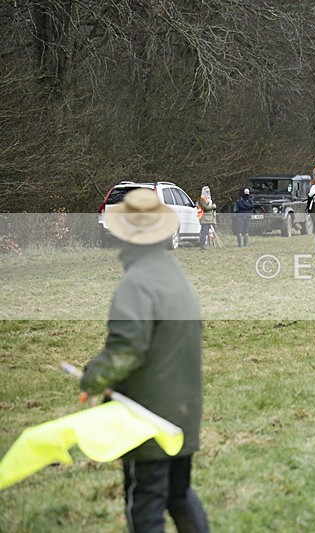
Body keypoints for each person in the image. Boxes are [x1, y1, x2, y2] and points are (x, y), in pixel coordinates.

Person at [79, 188, 209, 533]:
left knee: (146, 504)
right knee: (179, 495)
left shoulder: (136, 284)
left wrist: (91, 378)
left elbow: (126, 351)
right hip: (185, 411)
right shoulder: (176, 276)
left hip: (148, 417)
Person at [197, 186, 216, 251]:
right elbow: (205, 208)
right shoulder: (202, 199)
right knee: (204, 232)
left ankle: (205, 244)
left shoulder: (209, 199)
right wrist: (212, 206)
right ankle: (202, 245)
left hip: (209, 218)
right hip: (204, 217)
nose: (208, 193)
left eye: (208, 191)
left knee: (206, 231)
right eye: (206, 192)